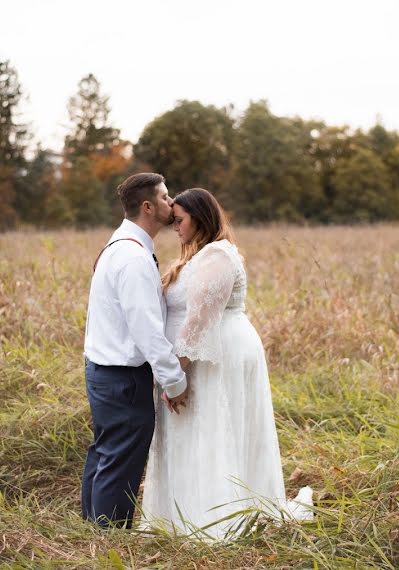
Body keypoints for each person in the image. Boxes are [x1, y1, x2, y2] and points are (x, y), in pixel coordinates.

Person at [141, 188, 311, 539]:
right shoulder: (197, 256)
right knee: (197, 426)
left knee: (214, 425)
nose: (175, 227)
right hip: (203, 352)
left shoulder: (217, 255)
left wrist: (176, 375)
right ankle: (182, 513)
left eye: (180, 220)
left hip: (219, 353)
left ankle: (216, 519)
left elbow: (199, 322)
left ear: (200, 219)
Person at [82, 172, 189, 528]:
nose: (171, 203)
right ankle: (107, 538)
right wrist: (174, 381)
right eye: (165, 196)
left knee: (106, 452)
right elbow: (147, 330)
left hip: (104, 369)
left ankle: (91, 530)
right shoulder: (133, 258)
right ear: (147, 206)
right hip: (122, 377)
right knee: (120, 457)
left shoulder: (125, 245)